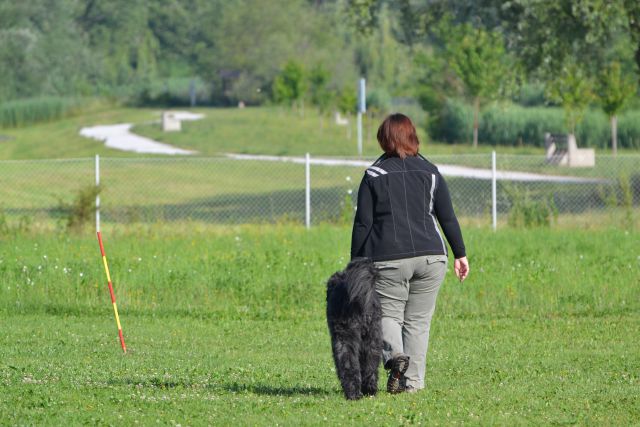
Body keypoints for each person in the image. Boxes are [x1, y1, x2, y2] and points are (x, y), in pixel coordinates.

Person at [351, 113, 469, 394]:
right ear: (413, 137)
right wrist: (460, 254)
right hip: (432, 257)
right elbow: (448, 218)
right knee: (418, 323)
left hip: (388, 258)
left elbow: (364, 223)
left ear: (384, 139)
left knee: (386, 315)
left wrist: (355, 264)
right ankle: (412, 385)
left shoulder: (373, 175)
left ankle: (395, 357)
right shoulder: (430, 172)